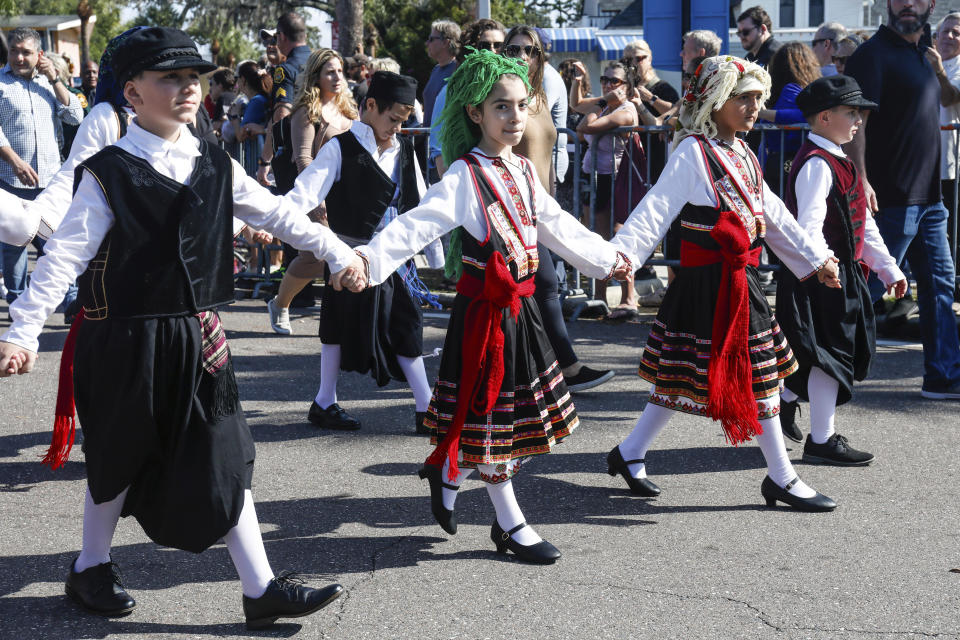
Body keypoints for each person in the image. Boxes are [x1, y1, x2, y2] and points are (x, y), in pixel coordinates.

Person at [0, 27, 364, 628]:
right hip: (125, 339)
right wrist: (22, 331)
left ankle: (261, 587)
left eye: (192, 77)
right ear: (132, 94)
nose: (187, 87)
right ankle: (90, 567)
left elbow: (276, 211)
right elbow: (63, 255)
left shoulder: (213, 160)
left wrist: (340, 254)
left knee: (225, 453)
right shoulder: (106, 171)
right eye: (169, 77)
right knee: (119, 458)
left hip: (199, 337)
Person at [354, 49, 631, 563]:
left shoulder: (523, 169)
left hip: (521, 315)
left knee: (504, 420)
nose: (514, 117)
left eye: (521, 106)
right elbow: (416, 224)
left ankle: (448, 471)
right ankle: (510, 524)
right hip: (485, 317)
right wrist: (367, 262)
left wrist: (608, 259)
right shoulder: (464, 175)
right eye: (500, 107)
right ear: (475, 114)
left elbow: (558, 227)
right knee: (494, 421)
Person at [609, 55, 841, 512]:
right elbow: (654, 210)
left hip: (739, 281)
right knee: (743, 379)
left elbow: (773, 216)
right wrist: (621, 256)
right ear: (716, 101)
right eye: (745, 97)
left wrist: (818, 259)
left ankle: (630, 451)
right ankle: (782, 476)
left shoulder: (744, 154)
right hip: (707, 284)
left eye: (759, 98)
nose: (756, 106)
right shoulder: (693, 152)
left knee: (712, 378)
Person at [278, 71, 442, 433]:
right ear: (370, 106)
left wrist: (435, 252)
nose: (398, 129)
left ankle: (425, 408)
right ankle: (324, 401)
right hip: (347, 256)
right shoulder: (339, 148)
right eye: (393, 119)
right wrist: (267, 219)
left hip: (395, 256)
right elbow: (304, 194)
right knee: (335, 327)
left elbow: (424, 203)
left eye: (404, 121)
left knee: (407, 324)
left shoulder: (405, 150)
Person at [776, 74, 907, 462]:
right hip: (822, 274)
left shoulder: (840, 159)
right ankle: (822, 439)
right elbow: (809, 228)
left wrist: (888, 268)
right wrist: (823, 265)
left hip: (839, 272)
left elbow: (862, 224)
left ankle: (786, 398)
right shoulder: (817, 164)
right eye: (851, 112)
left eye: (859, 112)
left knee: (835, 352)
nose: (858, 120)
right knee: (830, 356)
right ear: (823, 117)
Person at [845, 0, 960, 399]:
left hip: (930, 200)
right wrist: (860, 179)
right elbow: (855, 123)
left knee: (940, 288)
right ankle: (809, 375)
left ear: (930, 4)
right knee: (865, 291)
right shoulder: (871, 55)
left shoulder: (925, 53)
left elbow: (948, 101)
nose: (907, 3)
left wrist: (940, 69)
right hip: (890, 198)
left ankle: (943, 377)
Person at [504, 26, 615, 392]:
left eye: (531, 51)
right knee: (542, 285)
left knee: (538, 288)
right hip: (511, 207)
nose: (522, 56)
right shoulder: (500, 100)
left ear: (540, 58)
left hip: (543, 206)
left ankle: (540, 369)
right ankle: (566, 367)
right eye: (514, 49)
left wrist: (553, 199)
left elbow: (547, 157)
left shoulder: (534, 98)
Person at [266, 48, 357, 335]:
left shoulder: (348, 111)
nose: (337, 77)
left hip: (347, 198)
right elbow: (303, 158)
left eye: (340, 71)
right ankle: (280, 304)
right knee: (315, 257)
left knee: (348, 253)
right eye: (330, 71)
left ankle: (348, 319)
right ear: (316, 76)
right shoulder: (306, 112)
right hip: (316, 196)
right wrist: (317, 200)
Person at [0, 28, 83, 314]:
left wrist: (56, 78)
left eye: (25, 51)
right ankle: (17, 303)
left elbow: (76, 116)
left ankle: (71, 303)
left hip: (50, 183)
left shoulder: (48, 84)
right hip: (10, 182)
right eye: (14, 51)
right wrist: (14, 160)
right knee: (14, 248)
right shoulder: (0, 83)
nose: (19, 57)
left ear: (39, 55)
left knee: (57, 244)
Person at [571, 60, 643, 319]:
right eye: (604, 79)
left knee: (618, 238)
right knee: (597, 238)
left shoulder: (625, 110)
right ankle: (599, 297)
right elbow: (576, 105)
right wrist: (578, 80)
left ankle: (628, 297)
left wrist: (602, 102)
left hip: (616, 178)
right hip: (595, 177)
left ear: (626, 87)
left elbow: (584, 127)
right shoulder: (605, 106)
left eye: (615, 81)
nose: (608, 85)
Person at [757, 42, 822, 196]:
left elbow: (803, 117)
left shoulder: (790, 90)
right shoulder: (805, 91)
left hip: (782, 166)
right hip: (797, 164)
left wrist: (762, 113)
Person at [257, 12, 311, 190]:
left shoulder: (285, 70)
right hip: (326, 149)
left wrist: (265, 161)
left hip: (294, 154)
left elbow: (281, 114)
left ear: (281, 36)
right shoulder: (323, 63)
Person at [931, 12, 960, 270]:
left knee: (955, 229)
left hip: (952, 167)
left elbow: (948, 98)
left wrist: (939, 70)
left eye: (957, 32)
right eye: (945, 32)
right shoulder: (922, 63)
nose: (949, 36)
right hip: (923, 163)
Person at [422, 19, 460, 182]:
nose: (427, 43)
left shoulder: (457, 70)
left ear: (446, 42)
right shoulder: (436, 69)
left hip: (445, 152)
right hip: (431, 148)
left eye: (431, 39)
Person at [236, 60, 273, 177]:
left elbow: (240, 135)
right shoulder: (260, 99)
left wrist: (234, 117)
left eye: (237, 77)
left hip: (259, 166)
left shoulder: (256, 101)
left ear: (243, 80)